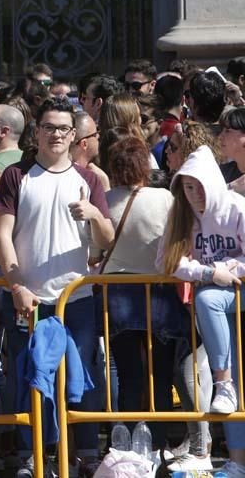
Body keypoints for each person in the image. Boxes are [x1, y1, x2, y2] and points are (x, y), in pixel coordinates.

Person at [0, 98, 114, 476]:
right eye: (49, 127)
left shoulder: (88, 178)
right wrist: (17, 286)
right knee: (29, 377)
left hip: (75, 297)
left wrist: (94, 214)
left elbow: (107, 239)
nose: (56, 134)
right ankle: (32, 458)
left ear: (74, 135)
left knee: (82, 377)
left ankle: (88, 454)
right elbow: (1, 235)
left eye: (63, 128)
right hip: (29, 299)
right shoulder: (17, 174)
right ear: (37, 132)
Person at [102, 138, 200, 468]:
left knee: (129, 377)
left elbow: (94, 251)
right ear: (145, 164)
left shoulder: (104, 200)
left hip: (116, 296)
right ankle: (156, 448)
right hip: (159, 293)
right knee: (159, 375)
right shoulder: (165, 199)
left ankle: (128, 450)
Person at [156, 145, 245, 476]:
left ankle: (223, 383)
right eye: (187, 186)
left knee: (208, 298)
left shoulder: (237, 207)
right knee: (233, 393)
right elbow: (164, 261)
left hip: (237, 292)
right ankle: (237, 463)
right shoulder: (181, 213)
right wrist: (208, 273)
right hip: (216, 300)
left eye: (198, 186)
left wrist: (228, 269)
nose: (193, 194)